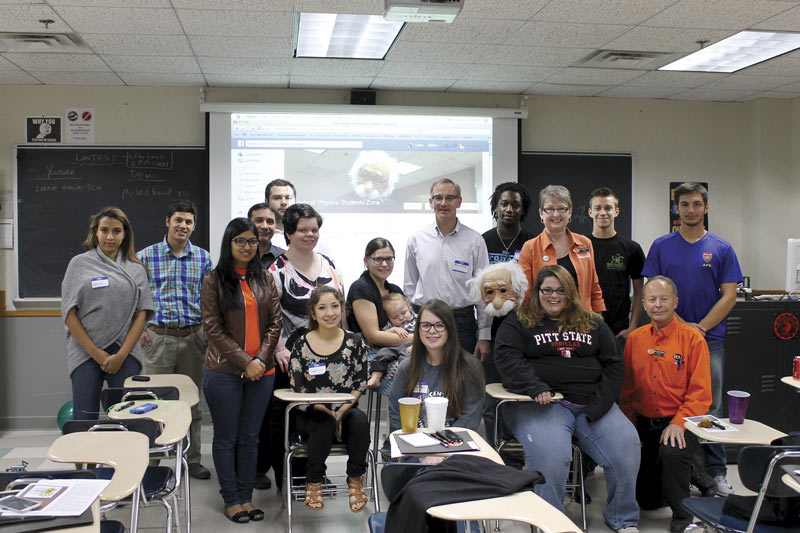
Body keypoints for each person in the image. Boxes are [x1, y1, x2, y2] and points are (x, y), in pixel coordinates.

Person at [494, 265, 640, 533]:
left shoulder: (592, 322)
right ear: (537, 292)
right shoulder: (519, 321)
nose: (553, 296)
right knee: (552, 456)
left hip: (592, 404)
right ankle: (552, 523)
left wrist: (599, 406)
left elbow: (614, 365)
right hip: (540, 405)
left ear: (570, 292)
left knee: (627, 446)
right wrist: (535, 386)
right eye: (547, 290)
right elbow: (507, 359)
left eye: (560, 290)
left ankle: (622, 517)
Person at [642, 181, 743, 496]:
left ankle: (716, 473)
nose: (690, 210)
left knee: (709, 407)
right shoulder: (661, 246)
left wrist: (698, 328)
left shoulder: (722, 249)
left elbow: (729, 296)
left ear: (706, 208)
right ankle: (689, 471)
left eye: (696, 204)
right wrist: (684, 328)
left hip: (709, 340)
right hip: (667, 340)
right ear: (676, 209)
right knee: (671, 402)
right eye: (684, 204)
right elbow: (655, 293)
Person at [200, 217, 281, 524]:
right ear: (229, 244)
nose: (247, 247)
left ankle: (246, 498)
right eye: (240, 241)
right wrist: (245, 363)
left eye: (252, 241)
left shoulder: (266, 278)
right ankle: (231, 499)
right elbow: (213, 329)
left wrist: (260, 360)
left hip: (263, 372)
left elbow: (275, 323)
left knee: (250, 437)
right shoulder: (213, 280)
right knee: (226, 438)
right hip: (224, 373)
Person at [620, 276, 712, 533]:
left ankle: (684, 517)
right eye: (652, 299)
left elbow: (701, 394)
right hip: (644, 423)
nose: (658, 304)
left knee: (671, 451)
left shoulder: (693, 340)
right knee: (648, 502)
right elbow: (626, 390)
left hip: (679, 423)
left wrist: (679, 424)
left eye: (664, 299)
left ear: (675, 302)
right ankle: (690, 472)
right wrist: (629, 427)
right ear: (643, 304)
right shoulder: (635, 340)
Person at [265, 203, 343, 491]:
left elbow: (339, 308)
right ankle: (292, 481)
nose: (310, 235)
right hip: (290, 359)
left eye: (314, 229)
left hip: (327, 357)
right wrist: (278, 349)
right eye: (303, 230)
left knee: (321, 418)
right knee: (290, 421)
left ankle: (316, 475)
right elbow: (270, 317)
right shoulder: (276, 270)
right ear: (288, 233)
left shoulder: (329, 264)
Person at [137, 199, 213, 480]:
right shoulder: (146, 256)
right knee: (153, 403)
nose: (183, 226)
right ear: (167, 221)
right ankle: (150, 463)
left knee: (191, 404)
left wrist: (206, 332)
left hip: (194, 338)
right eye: (178, 220)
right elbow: (138, 298)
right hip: (159, 339)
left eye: (189, 222)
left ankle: (191, 459)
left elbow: (208, 300)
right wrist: (142, 328)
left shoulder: (203, 258)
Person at [62, 206, 154, 420]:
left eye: (116, 231)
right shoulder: (79, 264)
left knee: (126, 417)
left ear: (125, 234)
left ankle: (122, 455)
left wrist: (121, 354)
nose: (110, 237)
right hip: (86, 350)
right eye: (104, 230)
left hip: (124, 350)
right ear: (95, 232)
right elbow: (69, 313)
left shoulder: (136, 268)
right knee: (84, 418)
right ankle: (87, 455)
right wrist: (95, 352)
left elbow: (142, 313)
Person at [289, 286, 370, 512]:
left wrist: (340, 412)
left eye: (335, 306)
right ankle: (314, 481)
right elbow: (298, 388)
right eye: (322, 308)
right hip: (311, 412)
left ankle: (355, 480)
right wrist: (327, 412)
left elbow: (360, 383)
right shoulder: (301, 345)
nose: (330, 313)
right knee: (323, 423)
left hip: (345, 409)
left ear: (342, 309)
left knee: (360, 421)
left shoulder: (355, 342)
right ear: (313, 314)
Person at [404, 178, 491, 357]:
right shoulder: (416, 239)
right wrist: (417, 322)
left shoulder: (475, 240)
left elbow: (484, 291)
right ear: (431, 202)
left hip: (462, 323)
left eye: (450, 197)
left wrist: (484, 335)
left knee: (462, 379)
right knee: (426, 377)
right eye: (438, 198)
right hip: (427, 322)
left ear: (459, 201)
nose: (443, 203)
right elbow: (409, 286)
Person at [388, 299, 485, 432]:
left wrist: (442, 448)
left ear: (450, 328)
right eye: (426, 325)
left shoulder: (471, 367)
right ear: (418, 329)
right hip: (414, 446)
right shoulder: (406, 368)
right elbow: (396, 416)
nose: (432, 331)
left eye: (439, 325)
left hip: (456, 446)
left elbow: (470, 420)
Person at [518, 184, 605, 313]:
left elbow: (594, 287)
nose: (556, 214)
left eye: (561, 209)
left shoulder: (585, 244)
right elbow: (525, 293)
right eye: (550, 209)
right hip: (544, 323)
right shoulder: (530, 247)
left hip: (582, 322)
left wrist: (598, 320)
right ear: (541, 213)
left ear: (570, 212)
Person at [588, 187, 645, 349]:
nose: (603, 213)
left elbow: (639, 291)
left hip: (619, 332)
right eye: (598, 208)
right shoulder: (580, 246)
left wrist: (632, 328)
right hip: (586, 330)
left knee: (619, 374)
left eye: (608, 208)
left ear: (617, 211)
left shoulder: (631, 248)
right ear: (590, 212)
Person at [346, 237, 406, 347]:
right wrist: (420, 337)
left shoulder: (395, 290)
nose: (384, 264)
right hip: (367, 354)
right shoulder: (360, 288)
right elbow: (373, 337)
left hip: (399, 348)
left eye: (389, 259)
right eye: (378, 259)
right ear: (366, 261)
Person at [366, 293, 417, 390]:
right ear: (389, 317)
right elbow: (383, 335)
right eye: (395, 317)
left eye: (403, 313)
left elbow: (423, 335)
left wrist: (416, 345)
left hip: (411, 347)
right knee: (382, 353)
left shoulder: (417, 320)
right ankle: (375, 378)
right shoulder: (391, 325)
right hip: (394, 346)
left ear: (409, 307)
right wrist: (393, 330)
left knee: (406, 359)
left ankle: (407, 381)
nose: (401, 318)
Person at [482, 182, 535, 264]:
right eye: (504, 204)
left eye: (515, 205)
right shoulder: (483, 241)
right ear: (496, 207)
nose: (509, 209)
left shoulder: (532, 242)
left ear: (523, 210)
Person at [248, 202, 285, 269]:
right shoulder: (240, 255)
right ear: (248, 223)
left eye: (270, 222)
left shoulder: (283, 257)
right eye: (259, 221)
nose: (265, 226)